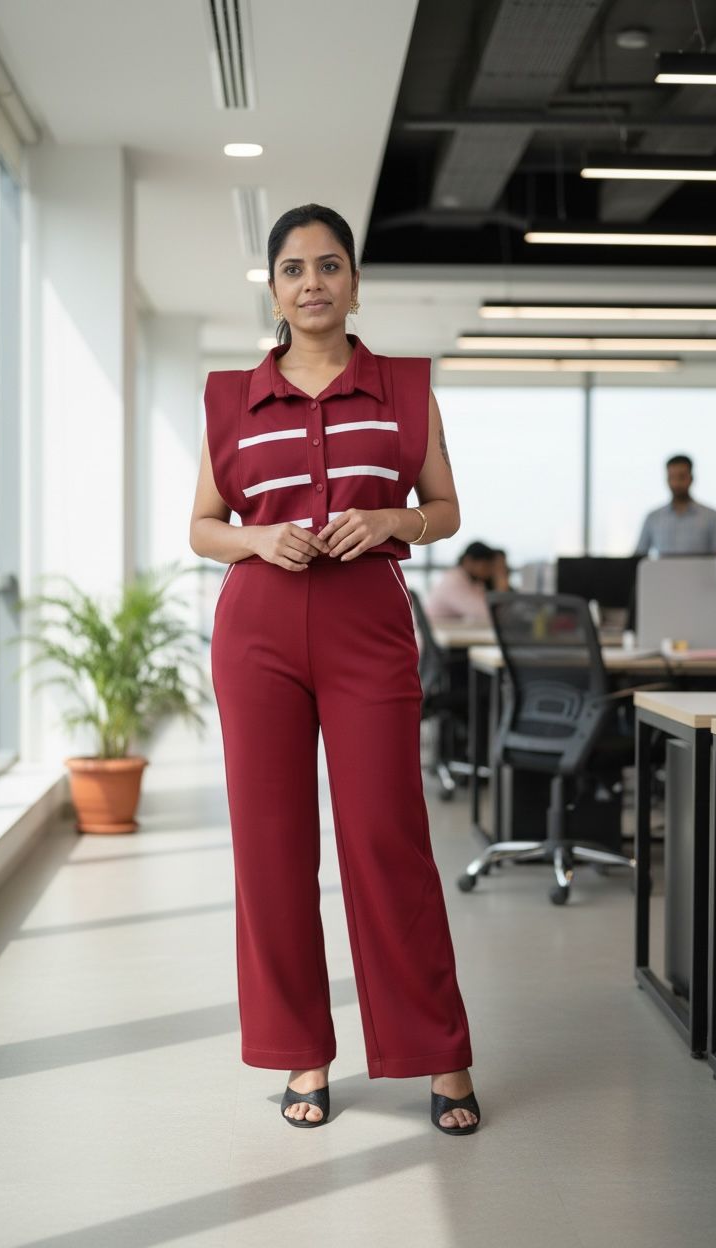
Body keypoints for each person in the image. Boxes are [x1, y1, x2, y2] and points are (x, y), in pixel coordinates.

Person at [189, 204, 479, 1136]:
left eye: (329, 265)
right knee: (270, 851)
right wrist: (258, 536)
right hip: (259, 630)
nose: (311, 281)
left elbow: (446, 506)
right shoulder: (230, 398)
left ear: (354, 281)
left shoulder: (403, 387)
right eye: (292, 268)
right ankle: (301, 1056)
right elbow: (202, 527)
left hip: (367, 625)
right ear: (273, 288)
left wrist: (394, 522)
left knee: (387, 840)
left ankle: (439, 1056)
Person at [635, 455, 716, 556]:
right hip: (664, 572)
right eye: (671, 477)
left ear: (691, 479)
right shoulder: (653, 518)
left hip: (700, 572)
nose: (676, 483)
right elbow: (638, 557)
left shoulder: (712, 517)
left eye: (681, 477)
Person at [425, 541, 510, 623]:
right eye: (486, 565)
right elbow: (485, 613)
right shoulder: (454, 580)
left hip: (448, 631)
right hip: (437, 633)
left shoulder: (474, 582)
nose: (489, 571)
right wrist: (501, 583)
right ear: (468, 561)